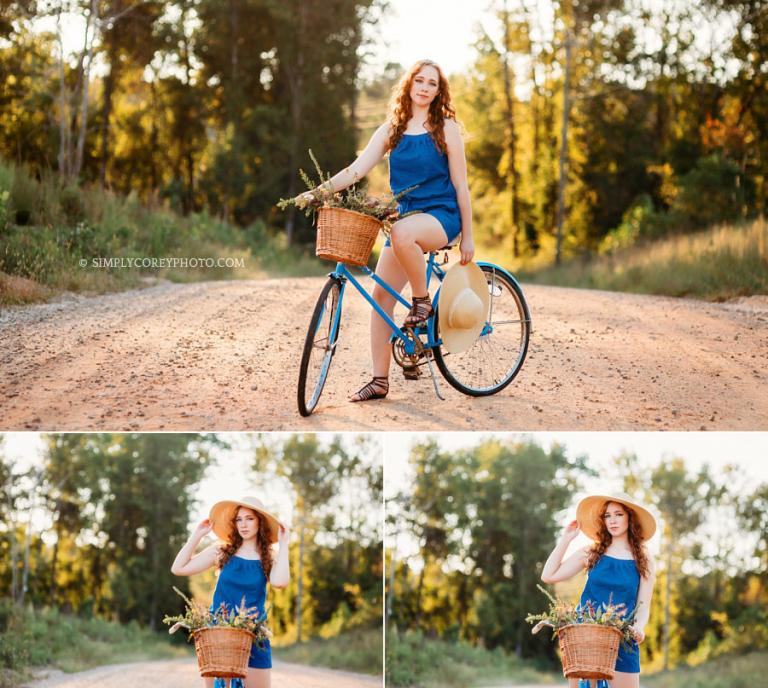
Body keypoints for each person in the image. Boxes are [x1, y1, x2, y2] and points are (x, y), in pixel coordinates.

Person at [300, 59, 475, 402]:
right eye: (420, 81)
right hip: (407, 222)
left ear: (439, 92)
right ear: (409, 85)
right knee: (380, 299)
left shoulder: (447, 129)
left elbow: (462, 185)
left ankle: (421, 302)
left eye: (432, 84)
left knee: (402, 233)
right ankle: (380, 380)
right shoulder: (391, 130)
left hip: (442, 216)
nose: (425, 88)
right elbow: (354, 171)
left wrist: (468, 235)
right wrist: (316, 193)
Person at [171, 496, 290, 688]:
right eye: (239, 519)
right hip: (219, 633)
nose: (243, 524)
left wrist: (284, 544)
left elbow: (280, 582)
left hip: (254, 635)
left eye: (249, 518)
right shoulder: (222, 552)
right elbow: (178, 568)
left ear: (260, 522)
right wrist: (197, 535)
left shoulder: (269, 558)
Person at [541, 493, 657, 688]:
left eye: (618, 514)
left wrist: (639, 628)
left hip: (624, 636)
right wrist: (566, 539)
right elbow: (549, 575)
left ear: (630, 517)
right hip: (587, 636)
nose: (612, 520)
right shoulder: (592, 552)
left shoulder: (644, 560)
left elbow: (643, 606)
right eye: (607, 516)